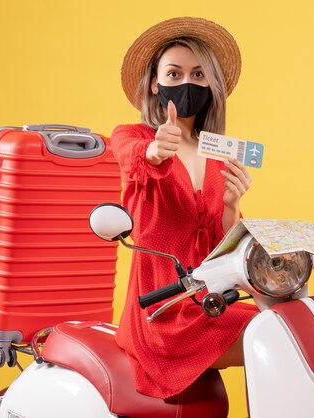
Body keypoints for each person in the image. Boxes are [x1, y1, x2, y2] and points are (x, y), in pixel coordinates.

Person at [110, 17, 258, 399]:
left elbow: (224, 247)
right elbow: (135, 161)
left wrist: (232, 203)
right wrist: (156, 151)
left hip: (208, 302)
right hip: (161, 311)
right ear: (156, 83)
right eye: (173, 74)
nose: (186, 83)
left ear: (212, 84)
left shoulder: (217, 152)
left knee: (287, 325)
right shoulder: (133, 136)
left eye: (198, 74)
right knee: (272, 341)